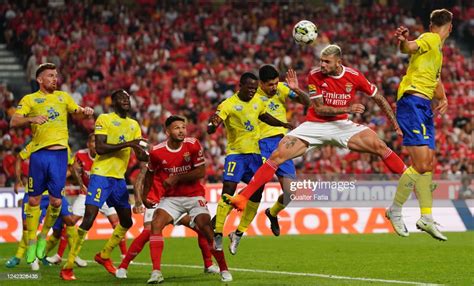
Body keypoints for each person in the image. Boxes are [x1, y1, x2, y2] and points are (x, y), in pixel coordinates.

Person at [225, 45, 406, 214]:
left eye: (326, 62)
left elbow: (379, 98)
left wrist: (395, 123)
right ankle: (242, 197)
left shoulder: (354, 76)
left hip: (341, 125)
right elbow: (319, 108)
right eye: (321, 60)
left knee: (380, 146)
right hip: (314, 125)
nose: (322, 64)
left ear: (338, 62)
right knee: (277, 156)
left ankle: (410, 180)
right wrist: (348, 109)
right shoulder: (315, 75)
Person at [10, 63, 94, 264]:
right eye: (50, 76)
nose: (54, 79)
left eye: (55, 75)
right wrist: (32, 118)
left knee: (56, 202)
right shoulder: (30, 99)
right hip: (39, 155)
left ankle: (41, 238)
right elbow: (14, 121)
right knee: (33, 201)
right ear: (39, 79)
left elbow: (78, 111)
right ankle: (30, 244)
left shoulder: (63, 97)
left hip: (59, 157)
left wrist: (86, 111)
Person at [60, 89, 149, 280]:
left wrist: (144, 151)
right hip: (100, 176)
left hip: (118, 179)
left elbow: (139, 153)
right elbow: (100, 148)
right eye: (121, 98)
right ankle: (68, 266)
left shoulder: (134, 125)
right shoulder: (104, 119)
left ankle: (104, 255)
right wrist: (129, 144)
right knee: (89, 218)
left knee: (127, 221)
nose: (126, 100)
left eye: (127, 98)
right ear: (113, 102)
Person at [207, 72, 292, 255]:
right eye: (250, 88)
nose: (253, 91)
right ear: (240, 85)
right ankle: (218, 232)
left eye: (255, 88)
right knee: (228, 189)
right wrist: (212, 125)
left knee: (257, 191)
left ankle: (239, 233)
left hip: (254, 154)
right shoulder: (228, 104)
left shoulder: (257, 101)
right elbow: (217, 120)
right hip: (236, 155)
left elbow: (264, 116)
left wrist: (283, 125)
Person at [385, 9, 452, 241]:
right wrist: (404, 42)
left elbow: (436, 79)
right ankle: (394, 209)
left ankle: (426, 216)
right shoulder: (431, 38)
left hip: (423, 106)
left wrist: (442, 97)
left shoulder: (437, 50)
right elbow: (411, 47)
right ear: (449, 27)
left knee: (428, 164)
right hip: (413, 102)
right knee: (422, 163)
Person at [144, 115, 232, 283]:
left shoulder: (192, 145)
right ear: (167, 131)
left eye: (183, 127)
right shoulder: (156, 151)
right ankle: (156, 272)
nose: (181, 131)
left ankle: (224, 268)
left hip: (194, 196)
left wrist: (176, 177)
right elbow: (149, 173)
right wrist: (144, 197)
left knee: (206, 228)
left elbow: (200, 172)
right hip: (171, 198)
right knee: (156, 224)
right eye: (177, 128)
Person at [115, 165, 220, 279]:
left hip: (174, 201)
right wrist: (139, 201)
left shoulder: (180, 160)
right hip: (154, 202)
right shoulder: (155, 159)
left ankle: (208, 265)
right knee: (147, 233)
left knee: (202, 229)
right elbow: (139, 180)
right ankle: (123, 267)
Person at [47, 134, 126, 265]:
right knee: (71, 221)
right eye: (93, 142)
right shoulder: (81, 155)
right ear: (88, 144)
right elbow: (73, 169)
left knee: (117, 223)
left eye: (97, 142)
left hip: (105, 195)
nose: (95, 144)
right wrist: (80, 184)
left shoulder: (106, 155)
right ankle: (59, 255)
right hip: (87, 194)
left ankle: (124, 254)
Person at [256, 65, 310, 236]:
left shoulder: (281, 88)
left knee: (291, 192)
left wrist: (296, 89)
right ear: (261, 84)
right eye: (270, 85)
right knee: (257, 187)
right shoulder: (252, 95)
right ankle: (234, 228)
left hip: (283, 144)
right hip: (261, 144)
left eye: (276, 83)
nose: (274, 87)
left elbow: (308, 103)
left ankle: (272, 213)